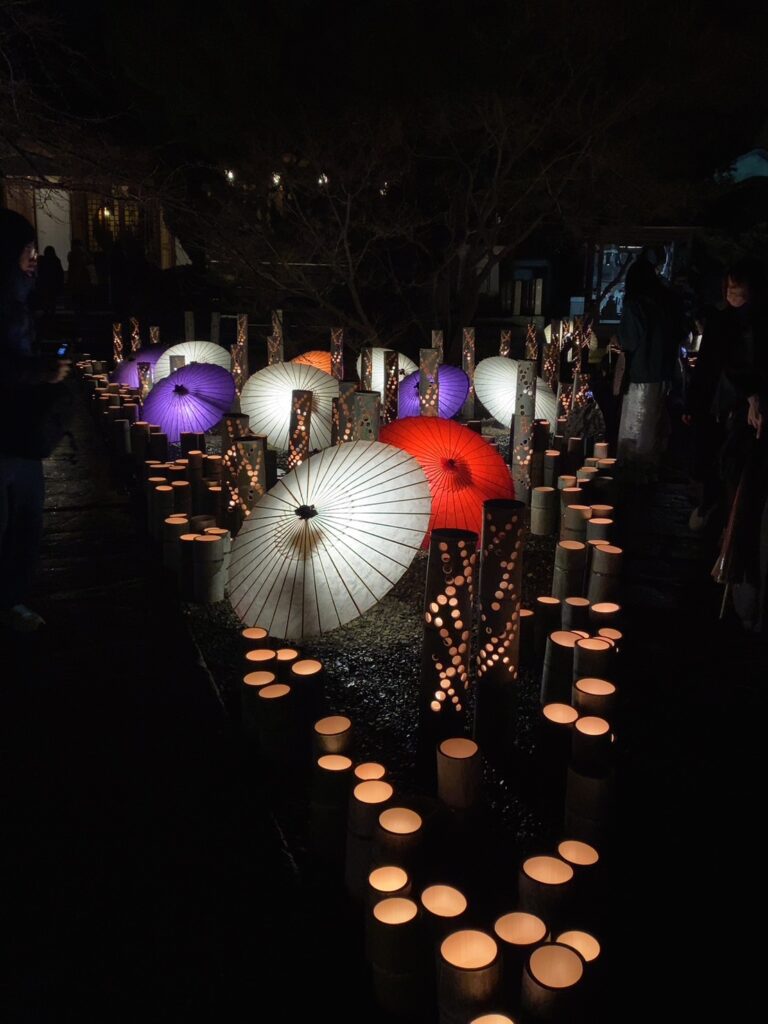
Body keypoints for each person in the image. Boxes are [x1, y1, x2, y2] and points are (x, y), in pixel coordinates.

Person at [0, 209, 71, 631]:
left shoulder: (17, 298)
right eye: (27, 249)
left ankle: (11, 599)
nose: (33, 257)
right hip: (9, 430)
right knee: (16, 519)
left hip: (19, 429)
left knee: (25, 517)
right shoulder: (6, 303)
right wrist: (41, 373)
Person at [614, 251, 688, 480]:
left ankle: (634, 472)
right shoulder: (667, 300)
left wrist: (618, 341)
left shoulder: (635, 305)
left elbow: (630, 340)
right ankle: (652, 469)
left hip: (641, 372)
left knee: (636, 427)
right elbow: (681, 332)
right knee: (655, 423)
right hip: (664, 370)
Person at [34, 244, 65, 319]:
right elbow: (60, 273)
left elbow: (39, 272)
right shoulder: (56, 260)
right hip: (53, 285)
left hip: (45, 284)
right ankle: (51, 313)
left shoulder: (42, 260)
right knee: (52, 300)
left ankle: (46, 313)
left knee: (46, 300)